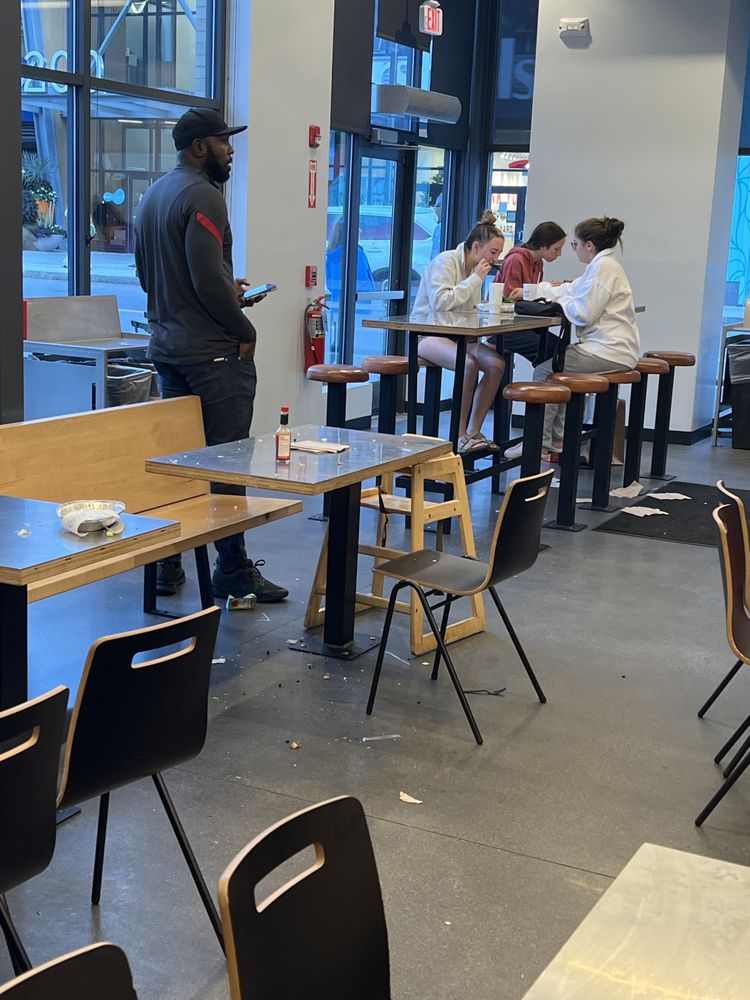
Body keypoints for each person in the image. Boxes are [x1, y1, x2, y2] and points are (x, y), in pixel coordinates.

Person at [134, 107, 288, 603]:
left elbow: (153, 277)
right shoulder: (204, 196)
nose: (231, 149)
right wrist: (243, 328)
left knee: (180, 460)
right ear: (200, 147)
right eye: (224, 141)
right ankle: (232, 570)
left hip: (168, 350)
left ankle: (167, 564)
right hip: (213, 357)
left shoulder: (153, 196)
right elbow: (203, 279)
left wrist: (226, 286)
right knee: (226, 463)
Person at [507, 216, 640, 461]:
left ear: (589, 245)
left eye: (575, 244)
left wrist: (559, 302)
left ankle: (538, 443)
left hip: (608, 351)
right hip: (613, 349)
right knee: (555, 364)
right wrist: (532, 291)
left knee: (545, 371)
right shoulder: (603, 266)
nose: (574, 249)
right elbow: (571, 288)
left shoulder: (603, 268)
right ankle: (557, 439)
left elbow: (583, 313)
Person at [413, 210, 506, 453]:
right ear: (476, 247)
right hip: (429, 335)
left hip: (461, 337)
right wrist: (475, 279)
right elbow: (441, 303)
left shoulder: (475, 270)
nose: (495, 259)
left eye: (498, 253)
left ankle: (474, 431)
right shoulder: (446, 262)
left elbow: (468, 308)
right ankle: (459, 434)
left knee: (496, 364)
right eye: (493, 252)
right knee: (468, 365)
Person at [492, 220, 566, 363]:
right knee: (551, 349)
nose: (559, 254)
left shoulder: (538, 263)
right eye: (556, 249)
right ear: (543, 245)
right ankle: (543, 376)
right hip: (503, 326)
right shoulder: (516, 259)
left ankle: (546, 375)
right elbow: (509, 299)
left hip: (522, 323)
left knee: (562, 347)